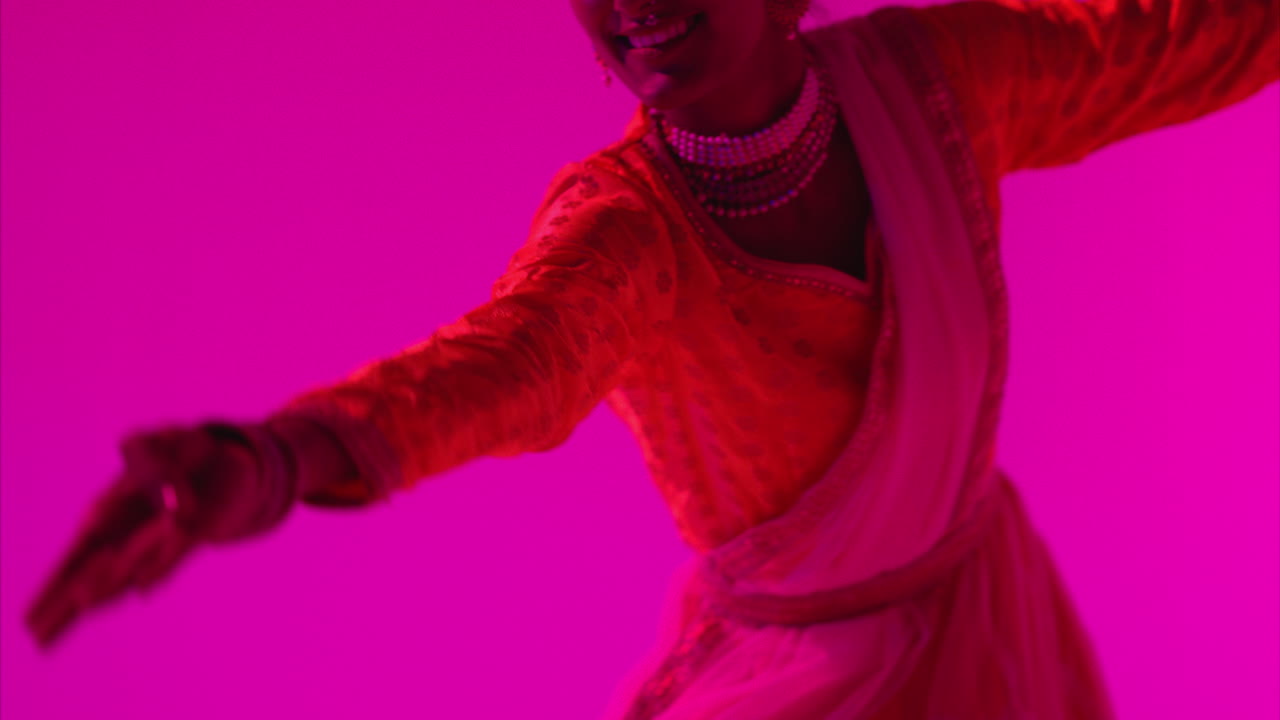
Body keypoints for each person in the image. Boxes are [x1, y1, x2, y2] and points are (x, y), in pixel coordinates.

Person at [26, 0, 1278, 717]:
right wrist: (280, 456)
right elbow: (503, 364)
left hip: (985, 627)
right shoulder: (630, 231)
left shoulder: (934, 85)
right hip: (795, 690)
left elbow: (1166, 38)